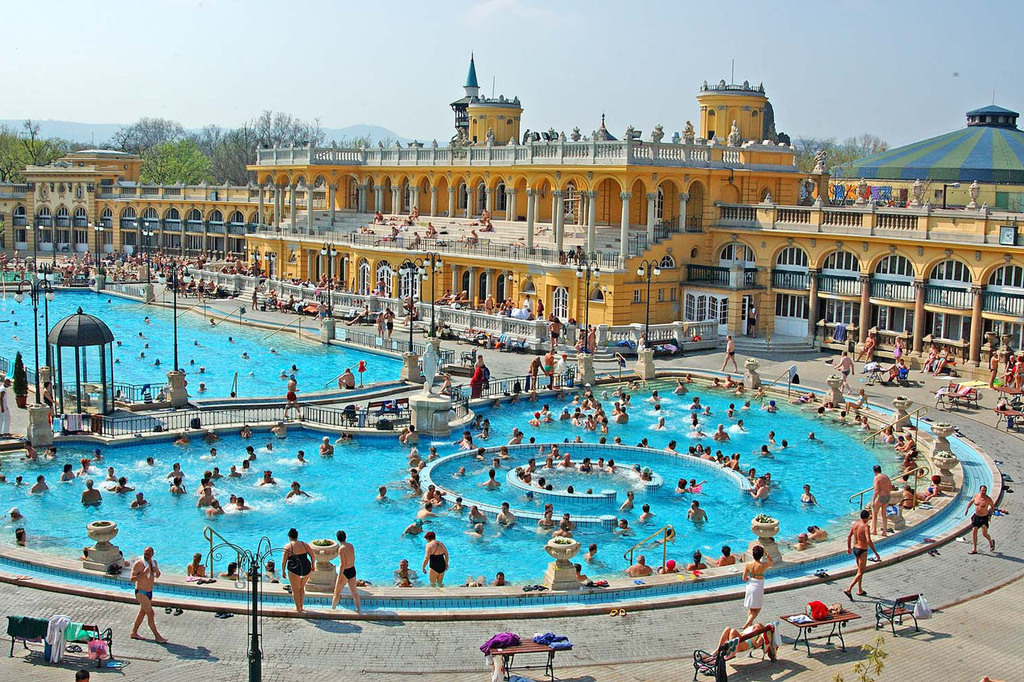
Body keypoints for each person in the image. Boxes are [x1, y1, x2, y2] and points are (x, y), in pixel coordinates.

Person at [129, 546, 168, 642]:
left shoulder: (153, 563)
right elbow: (132, 579)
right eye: (145, 554)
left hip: (149, 592)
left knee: (142, 613)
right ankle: (157, 636)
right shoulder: (138, 564)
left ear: (152, 555)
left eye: (148, 554)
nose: (146, 556)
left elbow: (157, 575)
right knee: (151, 613)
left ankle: (134, 632)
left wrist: (157, 572)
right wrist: (143, 573)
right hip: (140, 592)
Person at [844, 509, 880, 600]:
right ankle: (849, 588)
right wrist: (876, 553)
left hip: (855, 548)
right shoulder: (865, 526)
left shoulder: (855, 524)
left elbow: (849, 536)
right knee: (861, 571)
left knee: (859, 571)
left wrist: (848, 548)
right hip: (862, 550)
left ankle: (860, 590)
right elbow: (868, 540)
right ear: (867, 518)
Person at [282, 528, 313, 613]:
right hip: (306, 568)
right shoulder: (304, 544)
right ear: (297, 536)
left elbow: (283, 561)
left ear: (289, 537)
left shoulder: (288, 546)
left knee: (295, 590)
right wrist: (313, 565)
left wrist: (283, 571)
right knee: (301, 588)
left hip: (294, 569)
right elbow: (312, 555)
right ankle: (301, 606)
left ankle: (298, 608)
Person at [742, 544, 773, 628]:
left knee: (751, 608)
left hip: (750, 586)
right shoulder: (763, 565)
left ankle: (749, 626)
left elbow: (744, 578)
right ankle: (747, 623)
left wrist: (750, 578)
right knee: (757, 608)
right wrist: (766, 553)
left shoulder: (748, 564)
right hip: (758, 587)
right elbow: (771, 561)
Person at [331, 530, 361, 612]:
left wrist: (339, 577)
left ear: (338, 539)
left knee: (337, 592)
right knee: (354, 592)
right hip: (352, 569)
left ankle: (332, 610)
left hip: (345, 571)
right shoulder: (351, 546)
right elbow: (353, 557)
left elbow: (342, 565)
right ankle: (359, 610)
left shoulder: (341, 549)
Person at [965, 484, 996, 554]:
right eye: (982, 491)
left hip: (984, 517)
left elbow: (993, 507)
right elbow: (971, 502)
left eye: (985, 491)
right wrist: (967, 508)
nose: (984, 492)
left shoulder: (988, 499)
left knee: (984, 533)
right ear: (980, 490)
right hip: (976, 516)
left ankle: (991, 541)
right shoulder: (976, 496)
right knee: (974, 531)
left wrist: (990, 514)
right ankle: (974, 549)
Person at [870, 465, 893, 537]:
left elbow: (876, 490)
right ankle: (884, 532)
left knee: (874, 513)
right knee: (884, 514)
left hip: (880, 497)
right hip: (887, 496)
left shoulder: (877, 478)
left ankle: (874, 530)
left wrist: (873, 501)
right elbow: (890, 487)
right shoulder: (886, 477)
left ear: (874, 471)